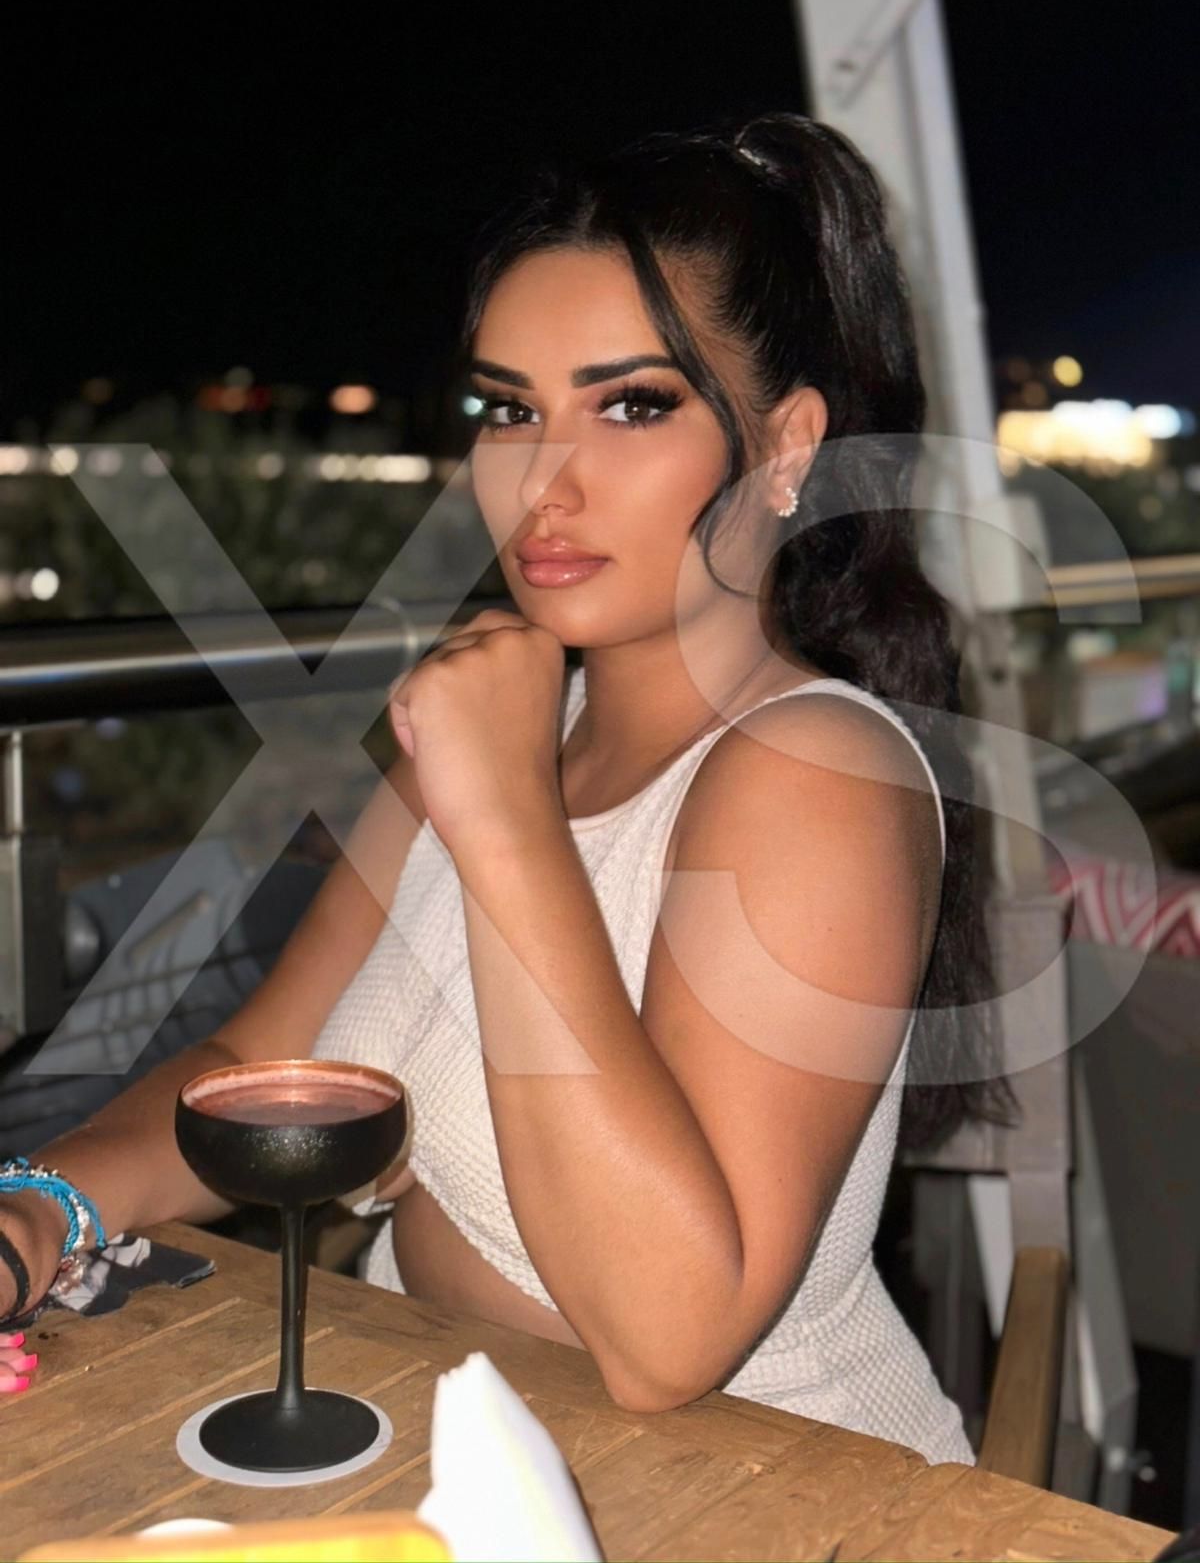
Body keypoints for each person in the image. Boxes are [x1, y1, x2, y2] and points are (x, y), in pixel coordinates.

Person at [0, 113, 1009, 1462]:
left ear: (786, 448)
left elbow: (667, 1336)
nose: (544, 479)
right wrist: (37, 1211)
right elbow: (257, 1071)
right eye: (509, 410)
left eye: (631, 405)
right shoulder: (505, 728)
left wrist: (502, 814)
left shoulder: (813, 774)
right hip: (451, 1436)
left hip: (753, 1490)